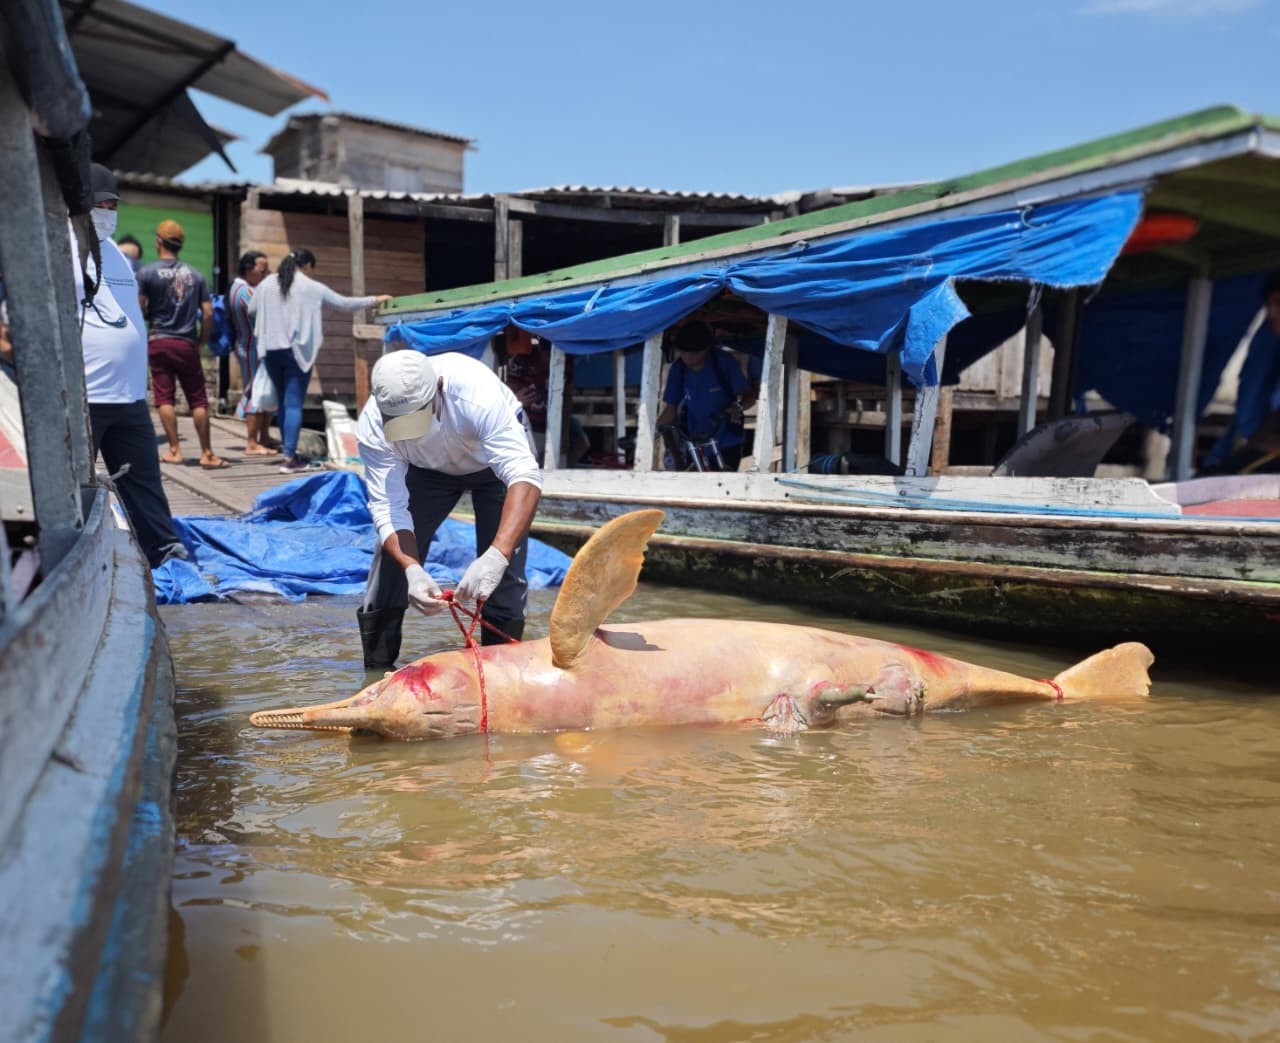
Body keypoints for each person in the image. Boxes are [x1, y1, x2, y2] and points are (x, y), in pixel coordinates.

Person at [356, 349, 542, 669]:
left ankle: (500, 675)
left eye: (415, 418)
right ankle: (376, 670)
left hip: (492, 468)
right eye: (398, 422)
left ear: (439, 388)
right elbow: (388, 507)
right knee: (390, 562)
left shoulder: (477, 396)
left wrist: (497, 555)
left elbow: (523, 476)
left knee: (503, 573)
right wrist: (412, 569)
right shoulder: (372, 422)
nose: (409, 431)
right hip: (426, 471)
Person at [73, 164, 187, 566]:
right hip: (85, 395)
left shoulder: (118, 258)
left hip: (129, 396)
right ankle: (72, 557)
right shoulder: (60, 249)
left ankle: (165, 550)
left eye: (112, 206)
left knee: (144, 482)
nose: (107, 213)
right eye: (99, 205)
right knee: (74, 488)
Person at [248, 247, 390, 474]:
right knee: (293, 403)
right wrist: (375, 300)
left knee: (283, 402)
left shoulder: (267, 284)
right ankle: (289, 458)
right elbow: (343, 303)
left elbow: (251, 309)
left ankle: (289, 453)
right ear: (308, 266)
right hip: (295, 351)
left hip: (271, 350)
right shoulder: (311, 287)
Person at [137, 219, 227, 469]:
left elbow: (139, 307)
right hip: (186, 343)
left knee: (164, 397)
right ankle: (207, 453)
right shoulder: (196, 275)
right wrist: (202, 341)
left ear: (158, 242)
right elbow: (208, 313)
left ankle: (175, 450)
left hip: (158, 340)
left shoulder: (147, 273)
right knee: (198, 399)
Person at [656, 320, 756, 471]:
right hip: (694, 442)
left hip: (726, 441)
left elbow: (749, 397)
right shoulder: (679, 369)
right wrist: (653, 432)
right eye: (683, 352)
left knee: (723, 481)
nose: (687, 357)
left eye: (693, 353)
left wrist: (737, 407)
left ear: (706, 349)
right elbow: (670, 409)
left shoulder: (724, 363)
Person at [504, 331, 590, 466]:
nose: (552, 359)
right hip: (529, 421)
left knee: (580, 443)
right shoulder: (522, 361)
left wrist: (564, 432)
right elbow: (508, 390)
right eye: (548, 355)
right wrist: (517, 401)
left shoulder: (566, 362)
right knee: (530, 459)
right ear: (541, 350)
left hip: (555, 418)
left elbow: (567, 397)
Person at [227, 250, 277, 455]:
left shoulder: (241, 288)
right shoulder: (245, 291)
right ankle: (251, 442)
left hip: (255, 346)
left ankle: (263, 436)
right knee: (255, 392)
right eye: (262, 270)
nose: (266, 274)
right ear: (248, 269)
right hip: (251, 347)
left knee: (264, 391)